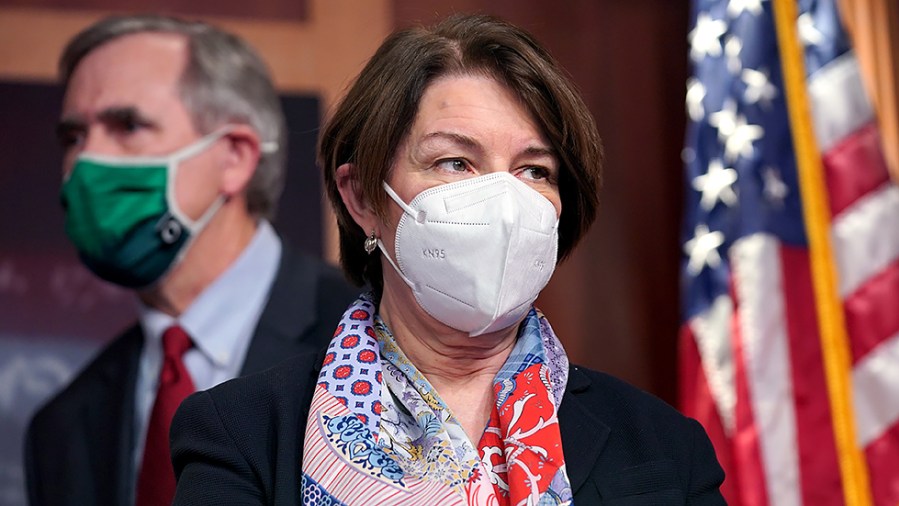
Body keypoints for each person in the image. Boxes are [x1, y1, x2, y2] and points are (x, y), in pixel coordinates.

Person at [171, 13, 726, 505]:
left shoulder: (664, 446)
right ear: (362, 196)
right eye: (455, 162)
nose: (504, 202)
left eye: (535, 171)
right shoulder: (243, 434)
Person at [24, 14, 358, 506]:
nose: (84, 163)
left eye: (127, 125)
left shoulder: (372, 341)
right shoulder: (63, 426)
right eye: (73, 137)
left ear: (235, 157)